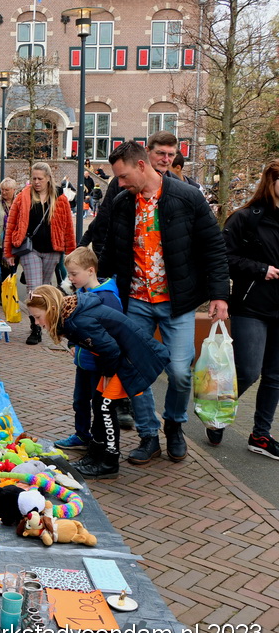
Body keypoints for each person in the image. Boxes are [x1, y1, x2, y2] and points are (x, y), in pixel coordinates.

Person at [99, 140, 230, 465]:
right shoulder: (122, 201)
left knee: (180, 372)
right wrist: (93, 283)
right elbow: (110, 248)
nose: (120, 183)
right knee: (135, 369)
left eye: (124, 176)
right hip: (136, 301)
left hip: (178, 302)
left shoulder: (186, 197)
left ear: (141, 166)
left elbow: (213, 246)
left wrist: (219, 295)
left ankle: (174, 425)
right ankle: (148, 435)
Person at [26, 285, 169, 478]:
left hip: (131, 360)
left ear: (51, 308)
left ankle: (109, 462)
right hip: (120, 360)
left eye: (37, 317)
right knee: (99, 404)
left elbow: (111, 349)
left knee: (105, 407)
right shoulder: (69, 316)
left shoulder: (78, 321)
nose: (37, 322)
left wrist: (108, 374)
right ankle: (95, 454)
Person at [215, 158, 279, 458]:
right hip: (251, 306)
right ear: (272, 182)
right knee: (249, 370)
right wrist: (260, 269)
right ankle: (217, 412)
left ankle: (260, 435)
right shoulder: (245, 218)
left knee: (275, 376)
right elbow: (223, 258)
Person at [53, 247, 123, 462]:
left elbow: (114, 332)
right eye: (69, 274)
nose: (70, 278)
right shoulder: (81, 292)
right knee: (80, 401)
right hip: (83, 361)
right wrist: (73, 342)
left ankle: (98, 442)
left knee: (99, 405)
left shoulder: (107, 298)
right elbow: (76, 322)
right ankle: (82, 435)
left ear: (90, 270)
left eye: (74, 274)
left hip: (100, 364)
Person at [3, 162, 77, 344]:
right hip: (30, 249)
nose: (36, 182)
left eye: (40, 179)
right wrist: (9, 252)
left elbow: (68, 226)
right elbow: (11, 224)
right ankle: (35, 328)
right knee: (34, 289)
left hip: (53, 250)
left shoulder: (60, 198)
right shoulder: (23, 197)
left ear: (48, 178)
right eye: (34, 178)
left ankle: (46, 321)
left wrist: (71, 253)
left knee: (45, 288)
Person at [81, 131, 180, 257]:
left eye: (171, 155)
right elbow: (104, 219)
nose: (166, 160)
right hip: (126, 260)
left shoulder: (179, 188)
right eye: (160, 153)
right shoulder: (122, 182)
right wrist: (99, 257)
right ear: (147, 151)